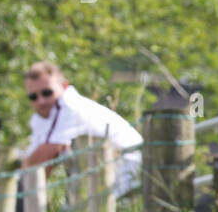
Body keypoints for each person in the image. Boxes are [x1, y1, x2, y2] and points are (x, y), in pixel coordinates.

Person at [20, 61, 142, 195]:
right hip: (102, 179)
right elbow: (32, 161)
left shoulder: (68, 105)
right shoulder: (42, 117)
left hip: (128, 175)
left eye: (47, 92)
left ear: (64, 86)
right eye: (33, 96)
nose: (41, 100)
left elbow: (41, 161)